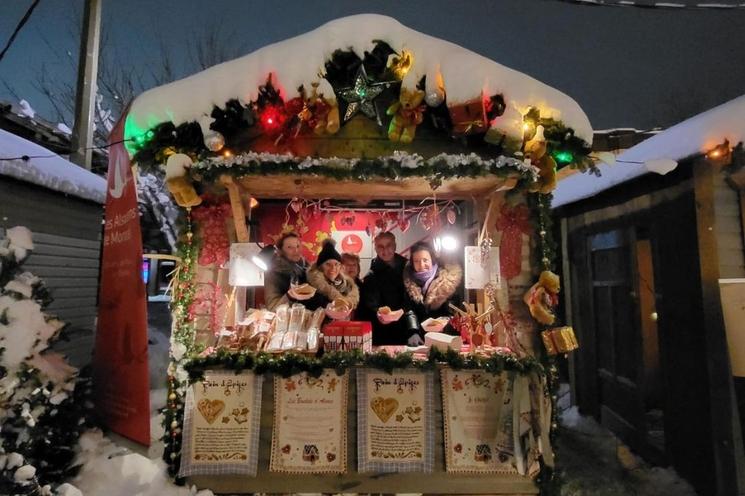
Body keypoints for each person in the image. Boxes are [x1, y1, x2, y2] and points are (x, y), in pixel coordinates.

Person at [359, 231, 417, 346]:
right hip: (382, 333)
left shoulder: (408, 267)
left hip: (408, 329)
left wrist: (413, 328)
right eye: (380, 246)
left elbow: (414, 299)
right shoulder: (371, 275)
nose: (385, 250)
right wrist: (378, 314)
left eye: (389, 245)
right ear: (375, 248)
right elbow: (371, 305)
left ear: (395, 246)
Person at [403, 241, 463, 345]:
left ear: (432, 260)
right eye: (416, 261)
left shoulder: (448, 281)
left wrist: (442, 324)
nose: (421, 265)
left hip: (446, 338)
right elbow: (410, 310)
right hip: (420, 340)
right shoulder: (409, 282)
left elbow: (454, 312)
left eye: (425, 260)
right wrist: (413, 332)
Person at [263, 232, 323, 311]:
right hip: (286, 321)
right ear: (281, 251)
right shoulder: (274, 273)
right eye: (289, 247)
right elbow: (272, 308)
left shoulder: (306, 269)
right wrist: (290, 296)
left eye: (298, 246)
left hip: (310, 320)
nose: (296, 250)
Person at [307, 239, 360, 310]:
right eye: (328, 264)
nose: (333, 268)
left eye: (336, 264)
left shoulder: (346, 284)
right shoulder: (311, 285)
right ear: (320, 267)